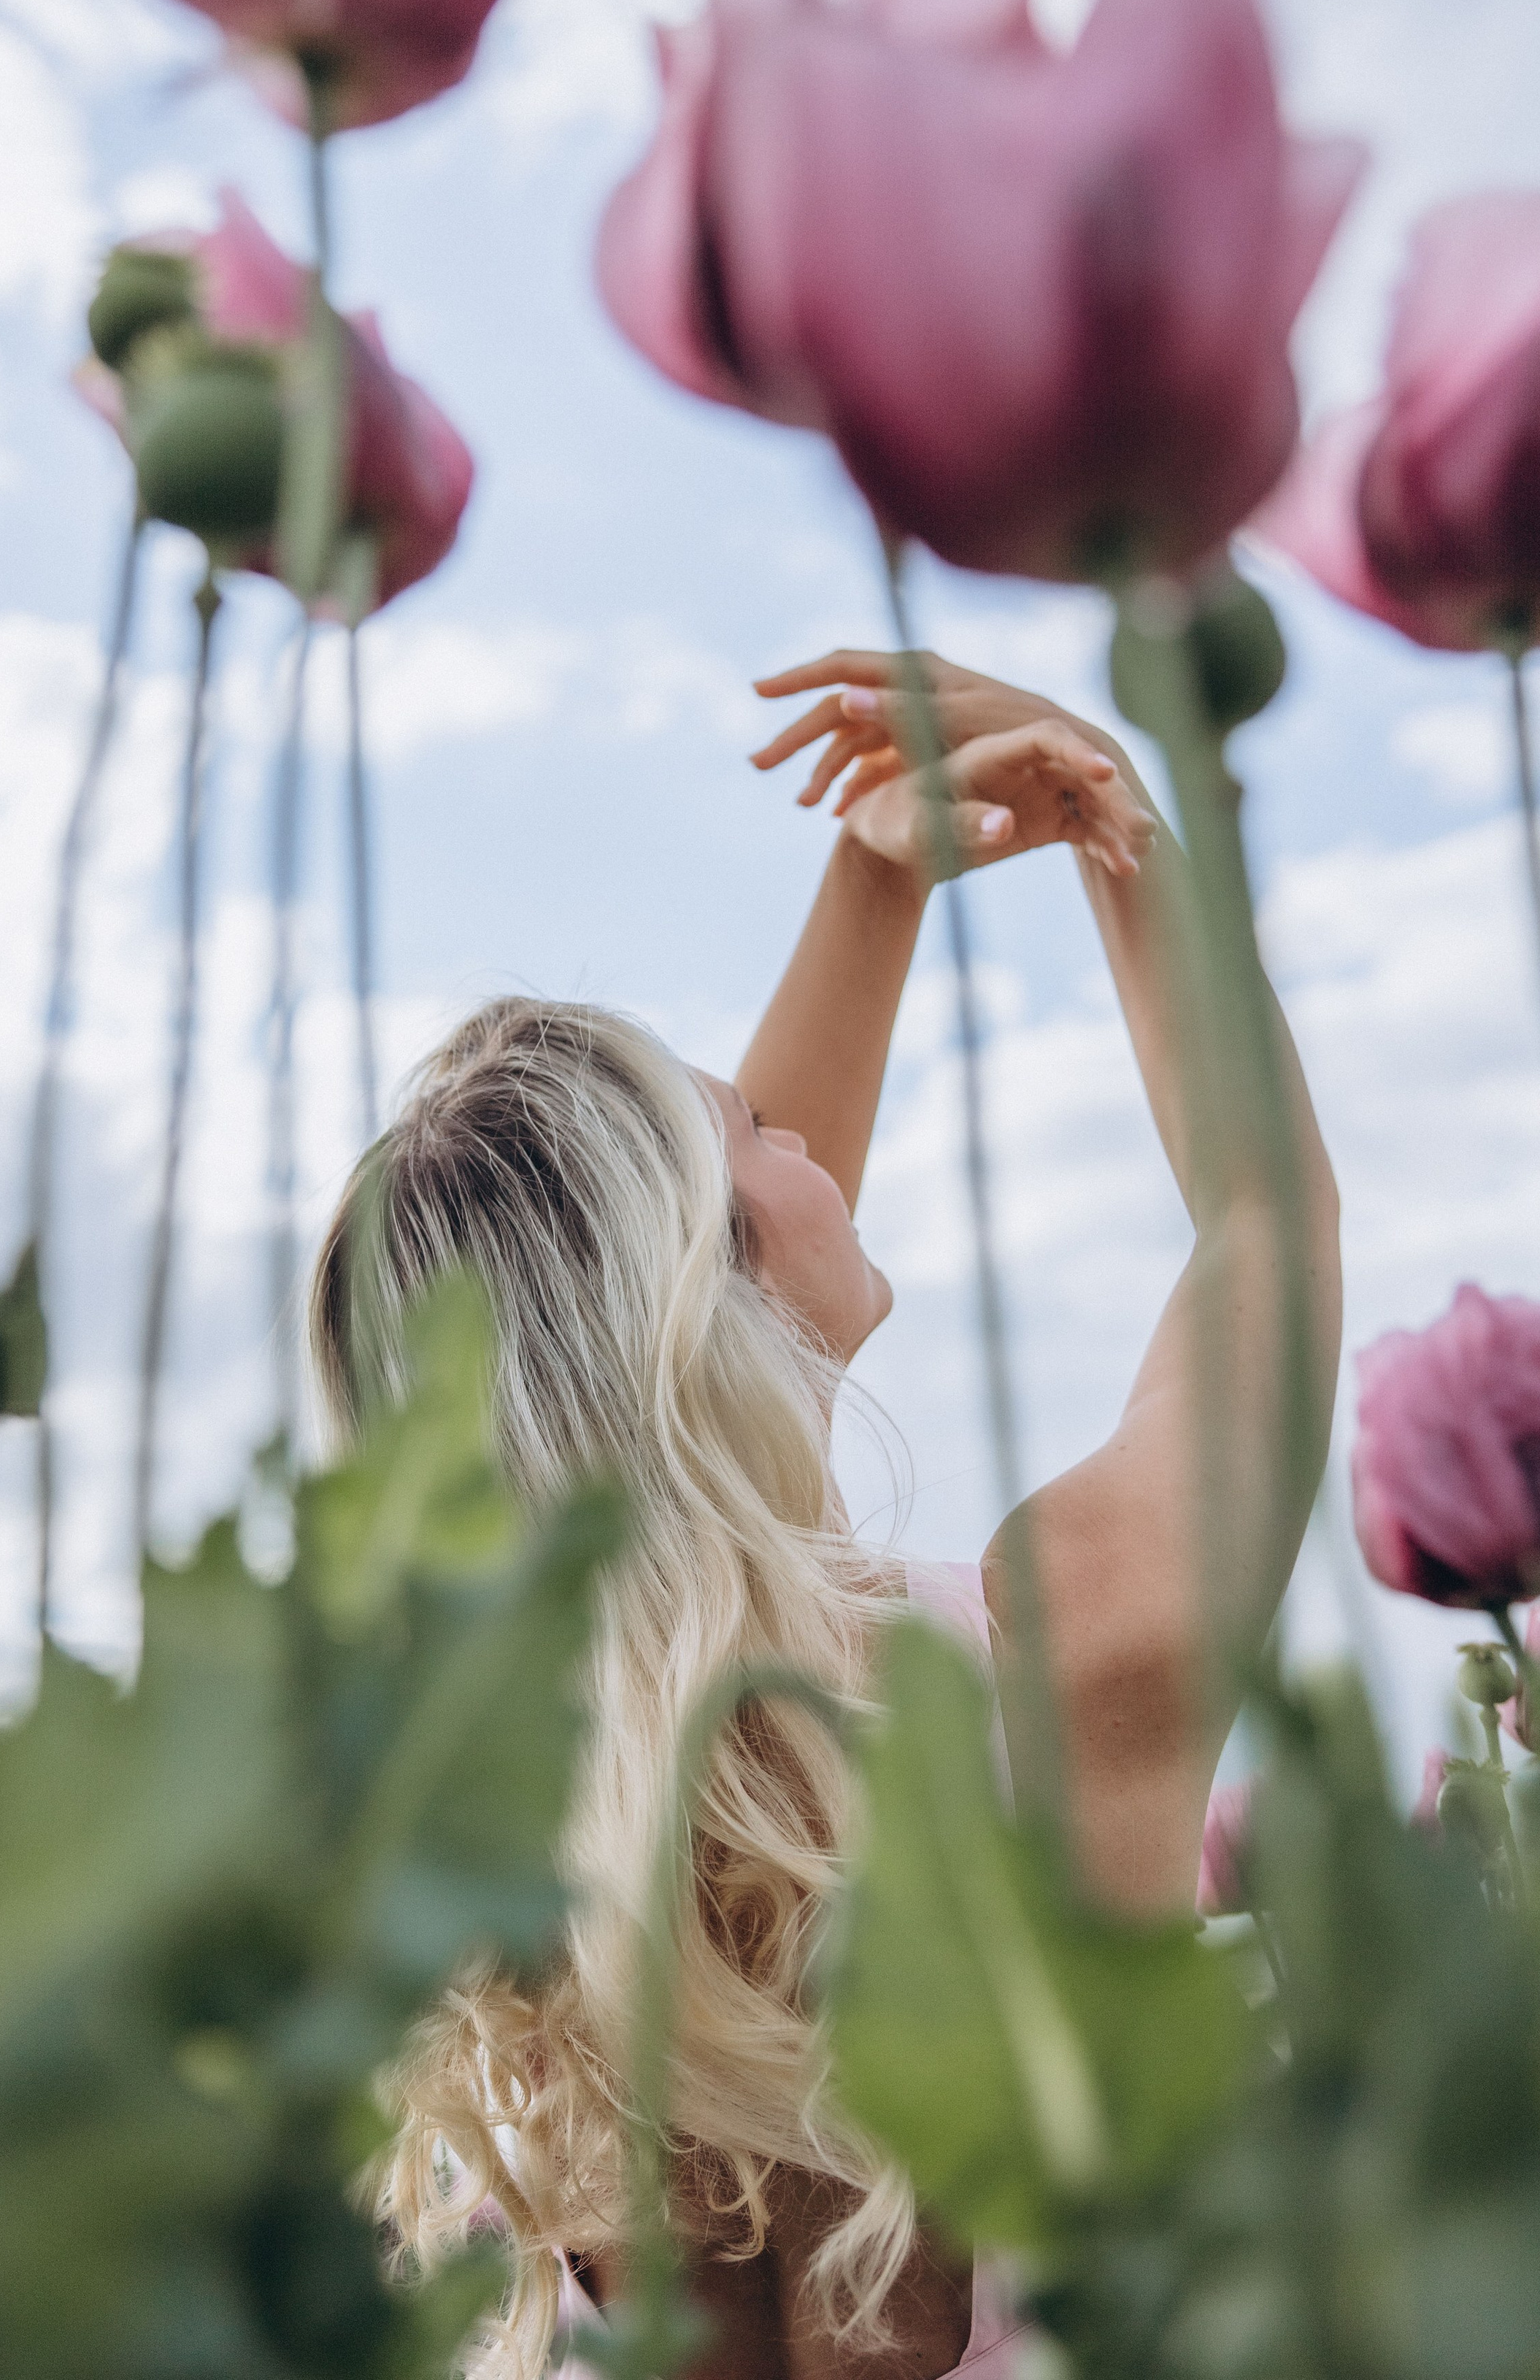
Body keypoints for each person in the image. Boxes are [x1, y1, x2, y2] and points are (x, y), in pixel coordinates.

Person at [309, 647, 1342, 2380]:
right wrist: (1120, 834)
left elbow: (710, 1326)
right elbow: (1268, 1225)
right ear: (708, 1294)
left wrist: (874, 876)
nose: (806, 1138)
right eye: (750, 1130)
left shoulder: (536, 1885)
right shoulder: (1055, 1645)